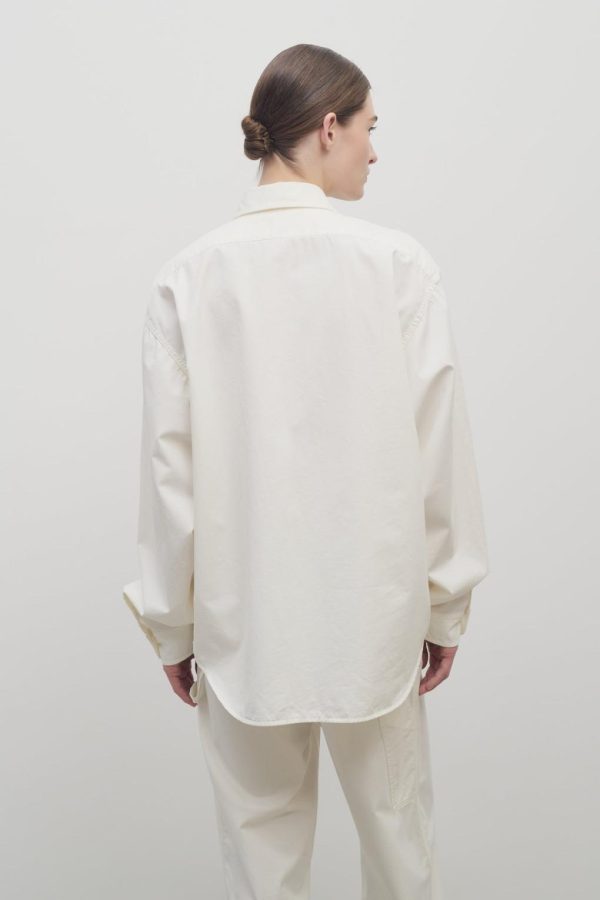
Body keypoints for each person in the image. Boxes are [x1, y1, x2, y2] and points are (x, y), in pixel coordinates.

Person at [122, 43, 489, 899]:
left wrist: (172, 624)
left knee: (262, 865)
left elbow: (170, 472)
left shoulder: (188, 278)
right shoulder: (398, 267)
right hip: (378, 621)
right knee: (401, 854)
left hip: (242, 628)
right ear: (328, 128)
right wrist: (445, 604)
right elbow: (437, 447)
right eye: (369, 129)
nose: (374, 150)